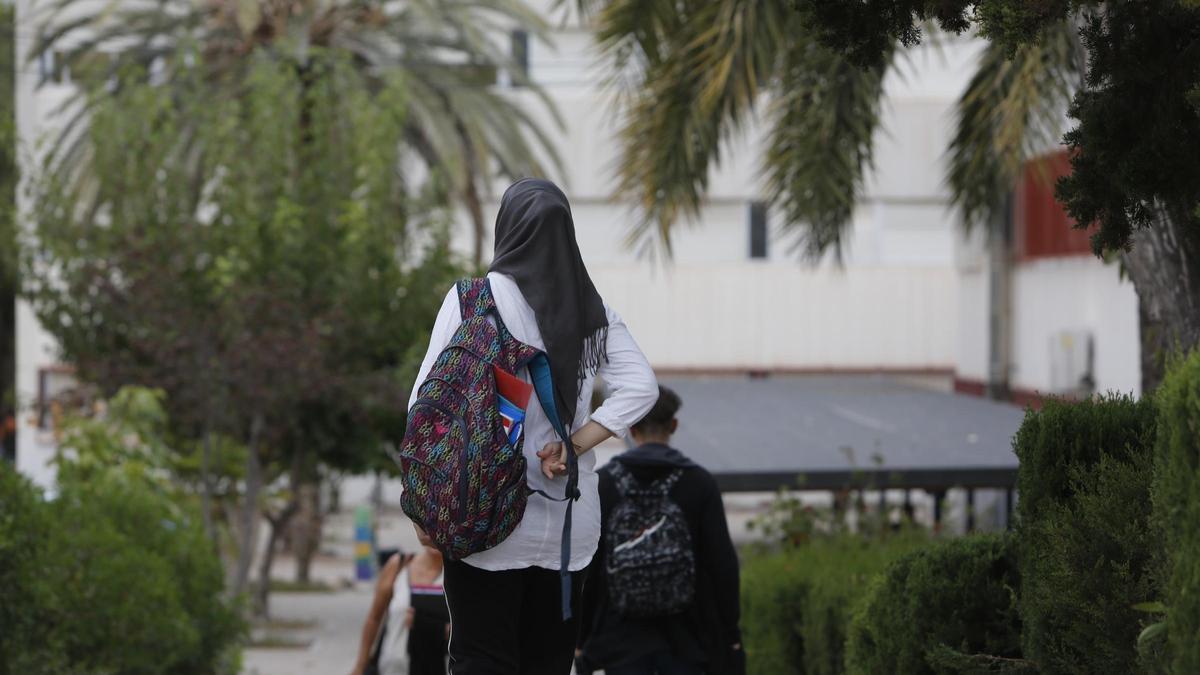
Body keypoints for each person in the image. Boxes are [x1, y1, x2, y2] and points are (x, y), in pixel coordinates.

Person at [407, 178, 659, 674]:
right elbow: (641, 387)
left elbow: (424, 408)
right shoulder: (593, 311)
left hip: (481, 518)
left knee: (480, 658)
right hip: (568, 526)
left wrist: (422, 506)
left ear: (508, 230)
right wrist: (574, 444)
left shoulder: (471, 300)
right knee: (549, 663)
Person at [576, 386, 744, 675]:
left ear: (630, 429)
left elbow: (588, 567)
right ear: (674, 425)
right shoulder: (699, 483)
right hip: (688, 641)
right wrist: (729, 632)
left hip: (618, 641)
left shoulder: (604, 484)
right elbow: (723, 566)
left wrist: (581, 637)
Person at [350, 546, 448, 675]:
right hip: (393, 668)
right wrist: (359, 667)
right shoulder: (400, 565)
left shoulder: (461, 575)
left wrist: (428, 624)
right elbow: (374, 618)